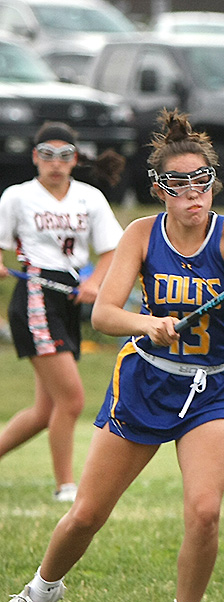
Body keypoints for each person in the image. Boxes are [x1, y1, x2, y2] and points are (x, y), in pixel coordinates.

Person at [0, 110, 224, 602]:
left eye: (202, 181)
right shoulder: (141, 235)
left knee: (205, 511)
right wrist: (149, 324)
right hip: (145, 384)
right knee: (86, 515)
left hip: (213, 389)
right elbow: (104, 315)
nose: (193, 193)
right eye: (180, 183)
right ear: (159, 189)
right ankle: (38, 592)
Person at [0, 122, 125, 503]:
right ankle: (66, 487)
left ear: (75, 159)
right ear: (35, 157)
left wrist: (94, 283)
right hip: (36, 295)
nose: (55, 163)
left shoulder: (90, 198)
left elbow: (113, 250)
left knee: (46, 410)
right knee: (71, 400)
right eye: (47, 155)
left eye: (64, 155)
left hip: (69, 296)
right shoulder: (17, 197)